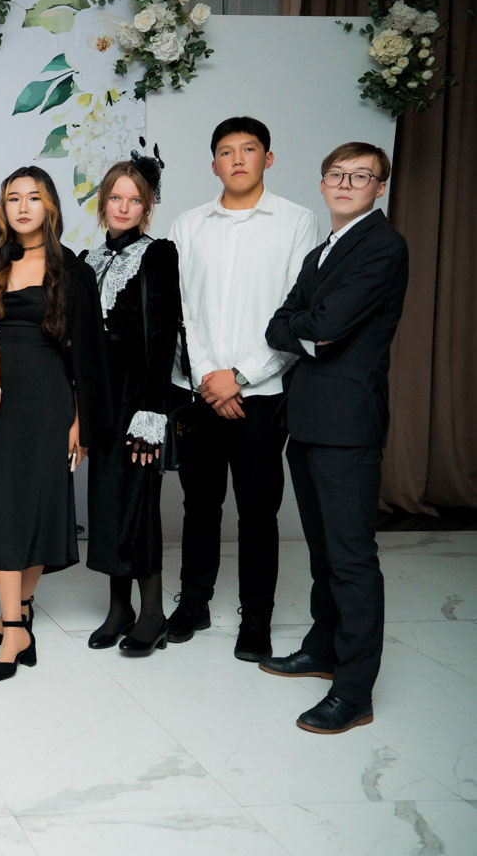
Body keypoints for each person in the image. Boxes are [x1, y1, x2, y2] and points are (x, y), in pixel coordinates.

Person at [261, 143, 407, 734]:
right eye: (336, 175)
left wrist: (306, 330)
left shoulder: (383, 247)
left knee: (351, 559)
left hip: (348, 423)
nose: (346, 184)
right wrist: (307, 332)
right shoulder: (322, 250)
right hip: (308, 418)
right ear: (322, 184)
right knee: (322, 551)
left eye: (360, 176)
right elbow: (280, 326)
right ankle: (323, 647)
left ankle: (354, 691)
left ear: (380, 187)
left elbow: (322, 325)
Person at [165, 117, 320, 663]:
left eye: (248, 149)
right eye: (226, 152)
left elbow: (297, 310)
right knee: (199, 504)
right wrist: (211, 377)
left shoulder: (297, 222)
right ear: (213, 165)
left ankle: (256, 617)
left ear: (267, 159)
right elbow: (180, 311)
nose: (237, 159)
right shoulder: (188, 225)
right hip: (199, 391)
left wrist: (243, 376)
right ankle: (194, 602)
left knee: (257, 510)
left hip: (264, 392)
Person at [0, 166, 110, 682]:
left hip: (50, 402)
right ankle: (16, 620)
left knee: (36, 509)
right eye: (13, 198)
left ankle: (17, 616)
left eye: (34, 198)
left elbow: (85, 352)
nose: (23, 207)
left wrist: (79, 420)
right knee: (4, 509)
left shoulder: (72, 270)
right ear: (3, 208)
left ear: (50, 206)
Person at [81, 155, 181, 658]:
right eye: (116, 198)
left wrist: (152, 411)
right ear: (103, 203)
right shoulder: (88, 259)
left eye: (134, 200)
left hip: (137, 395)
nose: (123, 207)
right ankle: (118, 609)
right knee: (106, 501)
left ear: (146, 207)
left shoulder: (157, 254)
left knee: (138, 501)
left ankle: (152, 614)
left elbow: (162, 337)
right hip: (100, 397)